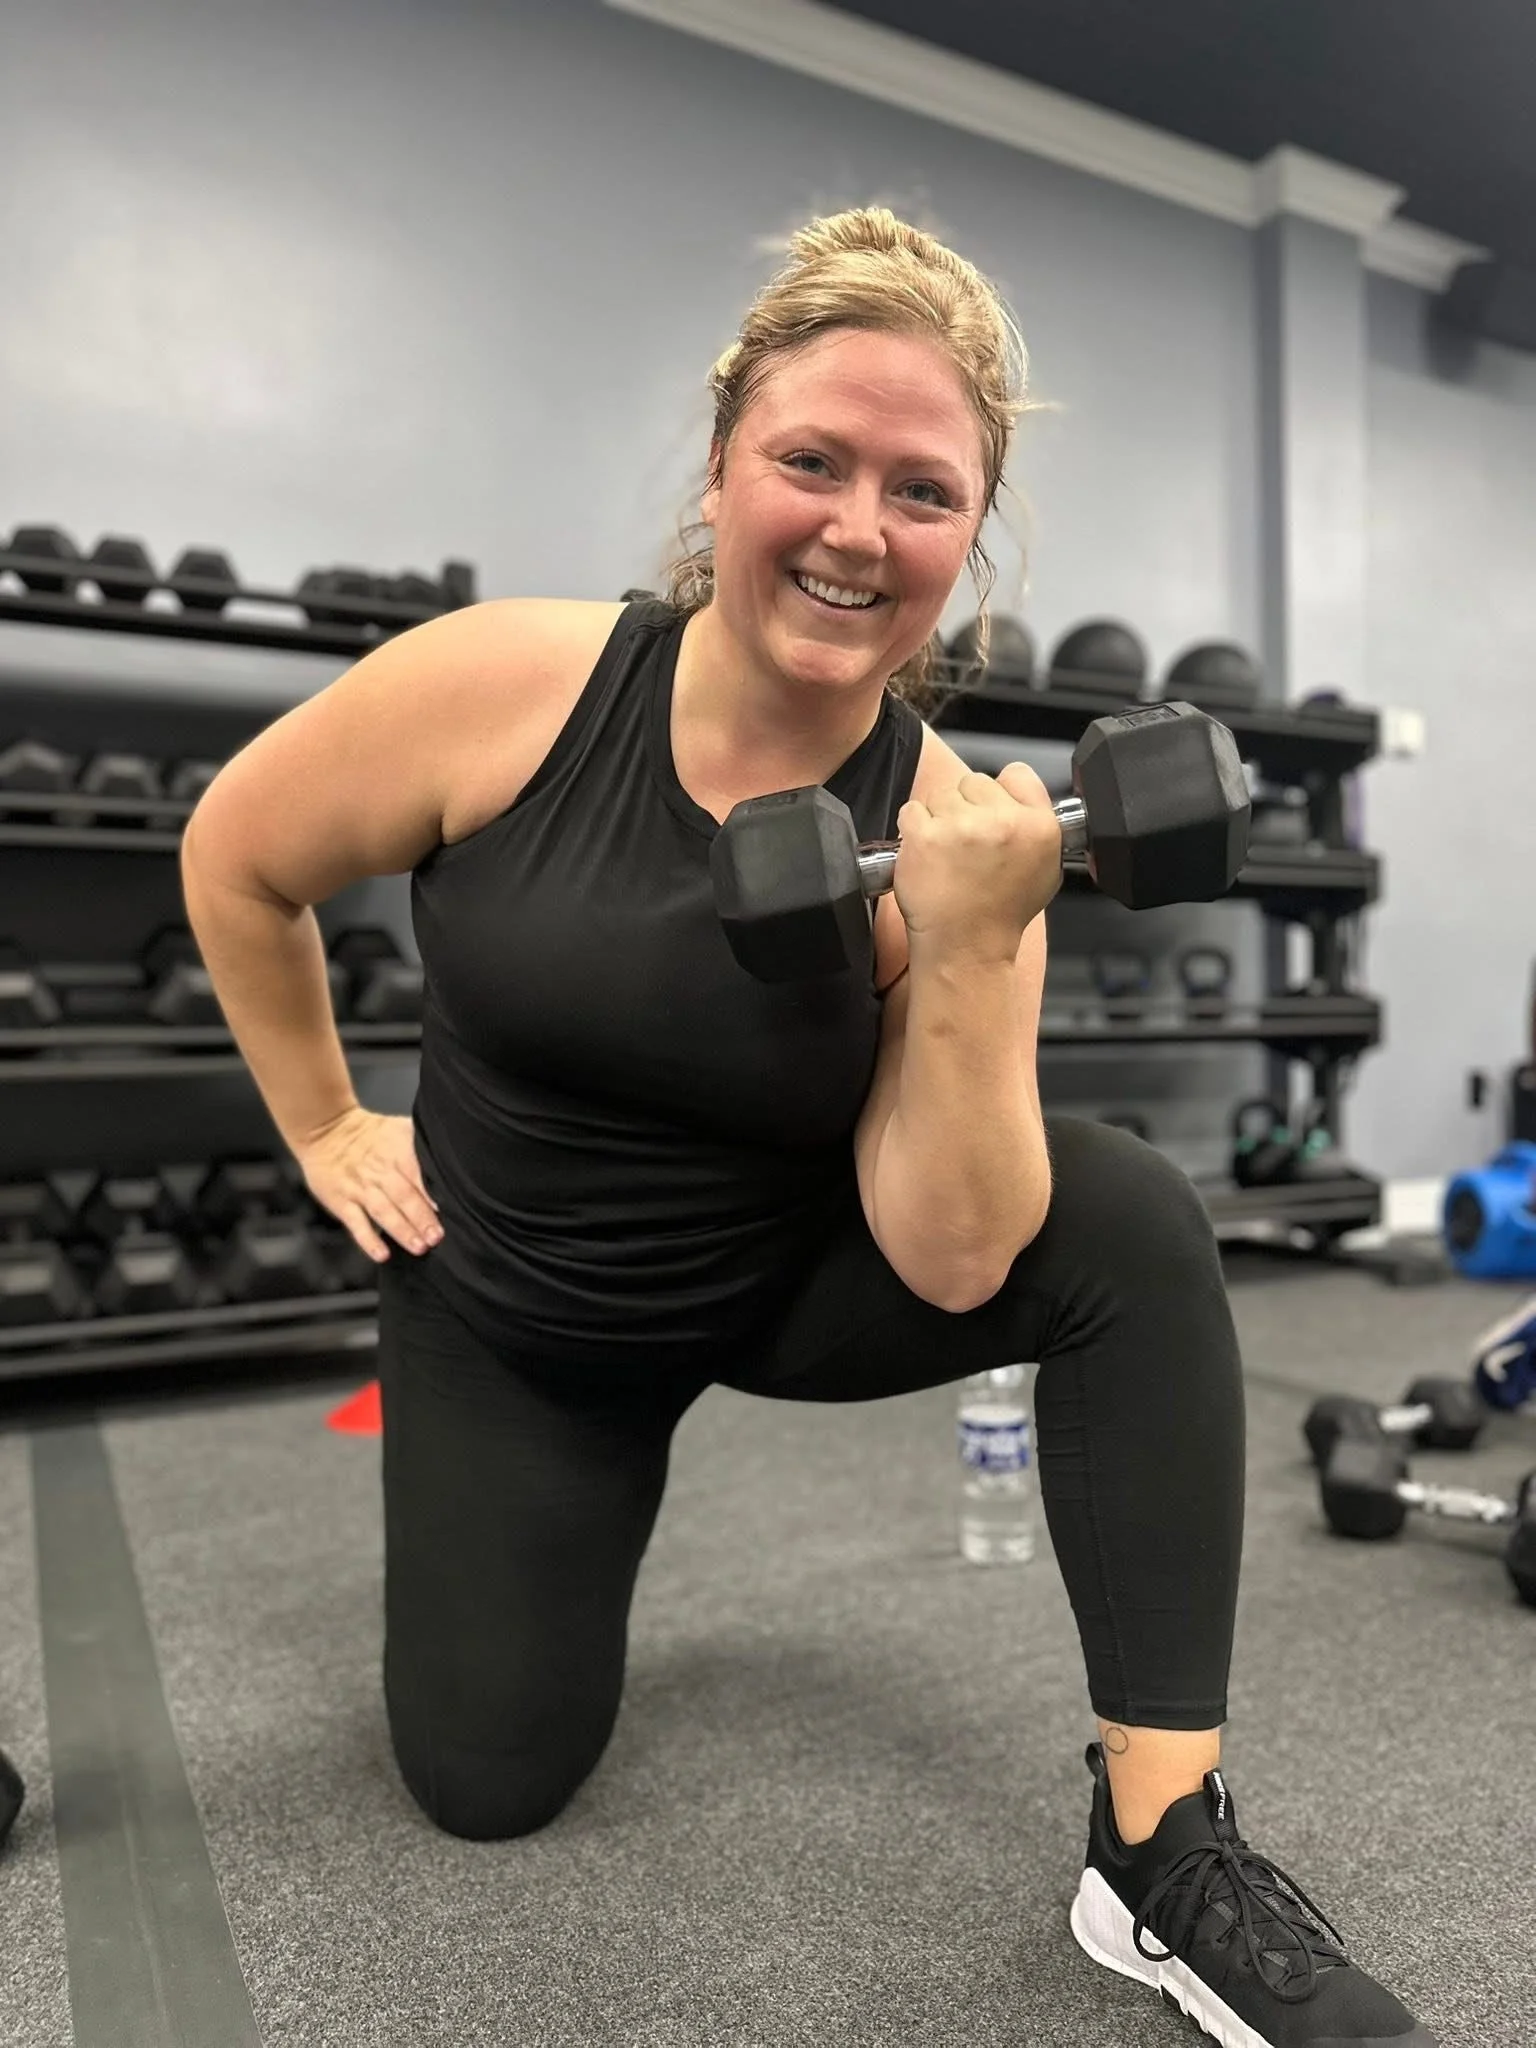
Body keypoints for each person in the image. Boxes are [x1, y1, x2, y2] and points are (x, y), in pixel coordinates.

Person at [181, 207, 1435, 2048]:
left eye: (922, 492)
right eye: (811, 463)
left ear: (968, 540)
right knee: (486, 1782)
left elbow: (948, 1249)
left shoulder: (948, 824)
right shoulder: (506, 690)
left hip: (784, 1280)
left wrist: (986, 936)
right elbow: (237, 855)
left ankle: (1162, 1854)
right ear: (719, 471)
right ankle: (570, 1515)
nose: (859, 530)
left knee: (1126, 1216)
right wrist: (321, 1125)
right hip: (517, 1322)